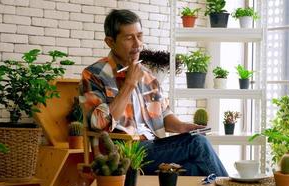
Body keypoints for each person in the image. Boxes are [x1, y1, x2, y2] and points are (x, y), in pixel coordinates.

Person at [80, 9, 228, 176]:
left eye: (140, 36)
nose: (137, 44)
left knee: (195, 168)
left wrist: (182, 127)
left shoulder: (147, 76)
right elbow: (98, 124)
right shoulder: (94, 75)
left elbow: (164, 114)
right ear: (110, 42)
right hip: (123, 153)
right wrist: (129, 84)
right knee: (198, 144)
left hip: (154, 147)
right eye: (129, 38)